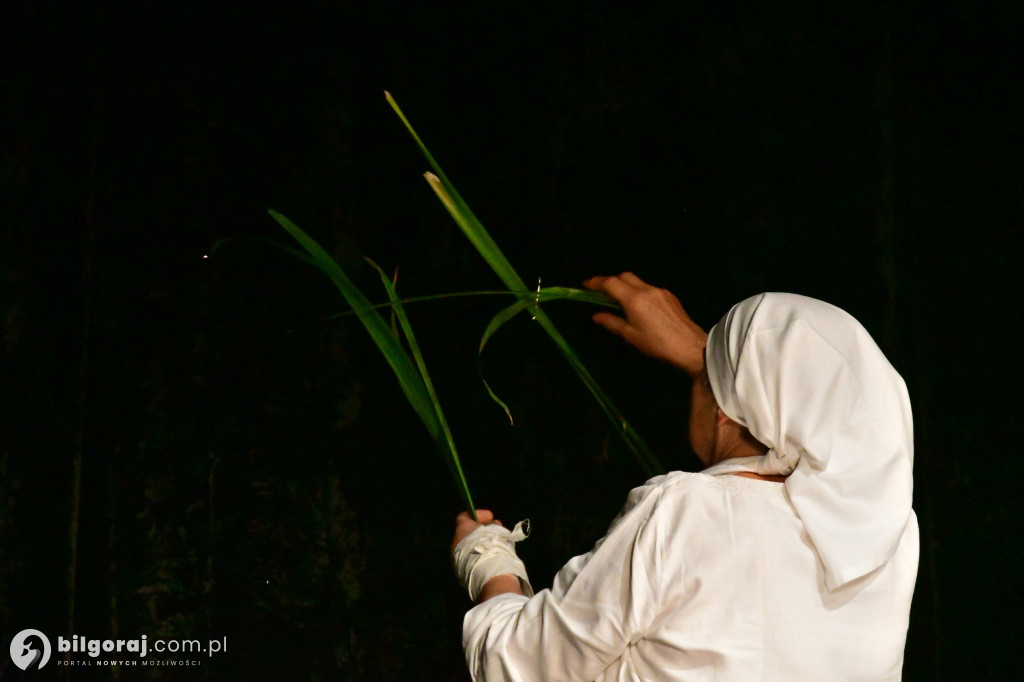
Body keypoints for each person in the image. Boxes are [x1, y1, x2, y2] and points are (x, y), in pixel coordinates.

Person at [450, 273, 919, 681]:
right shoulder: (890, 538)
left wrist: (489, 561)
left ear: (724, 411)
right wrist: (711, 362)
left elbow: (513, 667)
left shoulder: (686, 512)